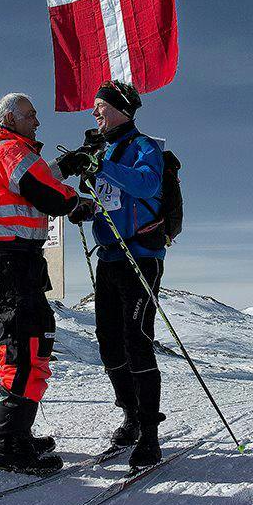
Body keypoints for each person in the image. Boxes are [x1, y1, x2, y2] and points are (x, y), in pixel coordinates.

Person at [57, 81, 169, 469]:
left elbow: (147, 184)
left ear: (121, 109)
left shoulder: (145, 147)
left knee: (137, 338)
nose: (95, 113)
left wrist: (100, 164)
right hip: (109, 257)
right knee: (108, 340)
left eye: (100, 106)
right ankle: (131, 415)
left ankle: (151, 435)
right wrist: (85, 208)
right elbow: (112, 199)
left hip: (140, 255)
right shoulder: (106, 150)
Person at [0, 93, 78, 475]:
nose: (37, 122)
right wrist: (76, 202)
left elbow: (34, 181)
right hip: (8, 263)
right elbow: (45, 192)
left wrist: (63, 167)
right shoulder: (7, 150)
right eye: (31, 115)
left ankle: (17, 433)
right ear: (10, 118)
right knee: (24, 352)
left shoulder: (0, 152)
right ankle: (8, 447)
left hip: (8, 263)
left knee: (29, 345)